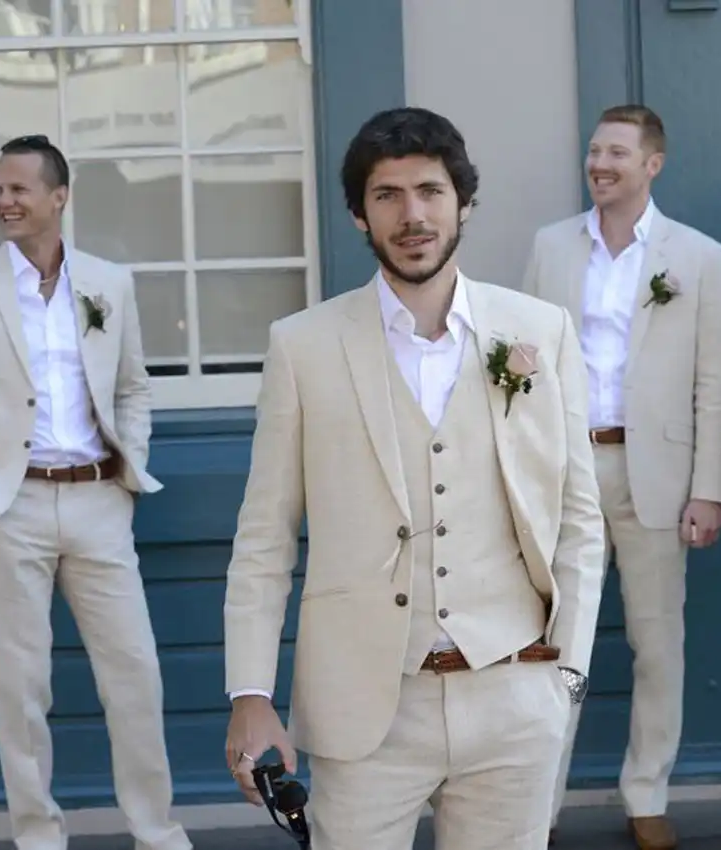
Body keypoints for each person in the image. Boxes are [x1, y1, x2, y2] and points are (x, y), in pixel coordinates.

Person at [223, 107, 605, 850]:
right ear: (359, 215)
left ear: (463, 203)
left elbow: (578, 517)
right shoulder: (302, 346)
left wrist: (568, 677)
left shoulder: (539, 330)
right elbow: (263, 538)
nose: (413, 215)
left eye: (430, 190)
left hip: (513, 696)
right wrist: (250, 693)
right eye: (387, 195)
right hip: (365, 707)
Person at [0, 135, 191, 850]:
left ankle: (157, 832)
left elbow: (133, 387)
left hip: (99, 500)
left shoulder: (108, 282)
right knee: (21, 686)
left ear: (58, 197)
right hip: (8, 507)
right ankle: (39, 837)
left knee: (135, 674)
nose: (4, 201)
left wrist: (129, 470)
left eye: (19, 189)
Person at [522, 105, 721, 850]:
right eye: (594, 150)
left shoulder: (699, 256)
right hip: (566, 470)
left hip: (660, 476)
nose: (600, 164)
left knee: (658, 645)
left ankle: (647, 794)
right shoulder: (551, 246)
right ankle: (537, 807)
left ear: (652, 164)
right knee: (558, 648)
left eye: (616, 152)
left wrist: (710, 489)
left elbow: (715, 381)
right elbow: (521, 360)